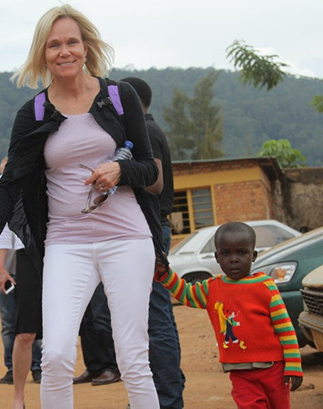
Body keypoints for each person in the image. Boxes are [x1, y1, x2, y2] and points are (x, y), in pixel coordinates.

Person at [0, 4, 167, 408]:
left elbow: (148, 169)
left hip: (127, 237)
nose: (64, 51)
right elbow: (9, 186)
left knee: (132, 356)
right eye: (54, 45)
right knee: (54, 354)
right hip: (66, 243)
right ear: (42, 53)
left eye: (72, 42)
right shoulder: (34, 113)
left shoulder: (118, 97)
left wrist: (119, 172)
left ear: (86, 48)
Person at [156, 222, 303, 408]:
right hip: (239, 372)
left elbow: (285, 329)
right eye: (226, 253)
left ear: (253, 255)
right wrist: (165, 274)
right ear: (217, 257)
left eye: (241, 252)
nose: (233, 259)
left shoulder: (265, 287)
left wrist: (294, 365)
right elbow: (186, 294)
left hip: (273, 369)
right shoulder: (212, 288)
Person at [121, 76, 185, 408]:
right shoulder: (144, 129)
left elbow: (155, 183)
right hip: (146, 228)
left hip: (149, 229)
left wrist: (119, 175)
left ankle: (168, 398)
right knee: (144, 318)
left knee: (155, 317)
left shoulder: (144, 131)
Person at [0, 158, 42, 390]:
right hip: (10, 266)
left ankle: (38, 366)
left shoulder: (34, 190)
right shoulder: (1, 198)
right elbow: (1, 233)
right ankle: (12, 367)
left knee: (34, 320)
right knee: (11, 321)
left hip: (30, 262)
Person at [73, 283, 120, 386]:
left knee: (101, 317)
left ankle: (111, 367)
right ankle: (93, 367)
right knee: (86, 320)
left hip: (102, 271)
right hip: (83, 271)